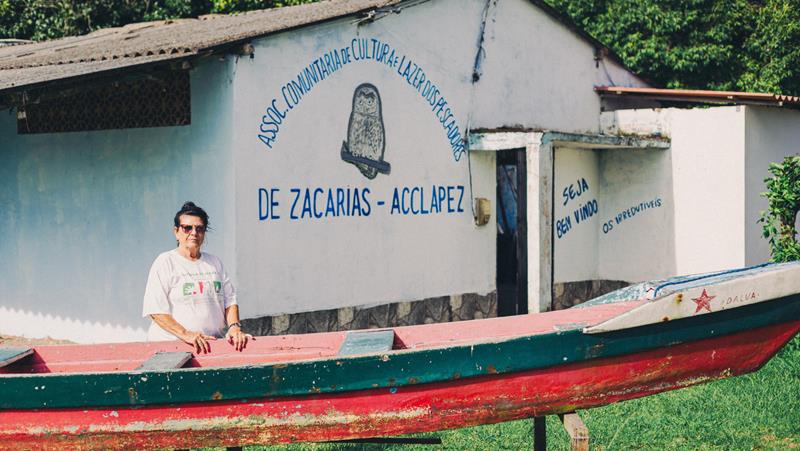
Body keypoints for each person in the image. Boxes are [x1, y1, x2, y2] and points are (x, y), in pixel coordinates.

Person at [142, 202, 251, 353]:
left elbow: (230, 300)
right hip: (171, 349)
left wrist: (234, 328)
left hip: (210, 347)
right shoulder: (165, 262)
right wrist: (186, 335)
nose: (193, 233)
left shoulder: (214, 263)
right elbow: (156, 311)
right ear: (176, 232)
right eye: (187, 228)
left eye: (199, 228)